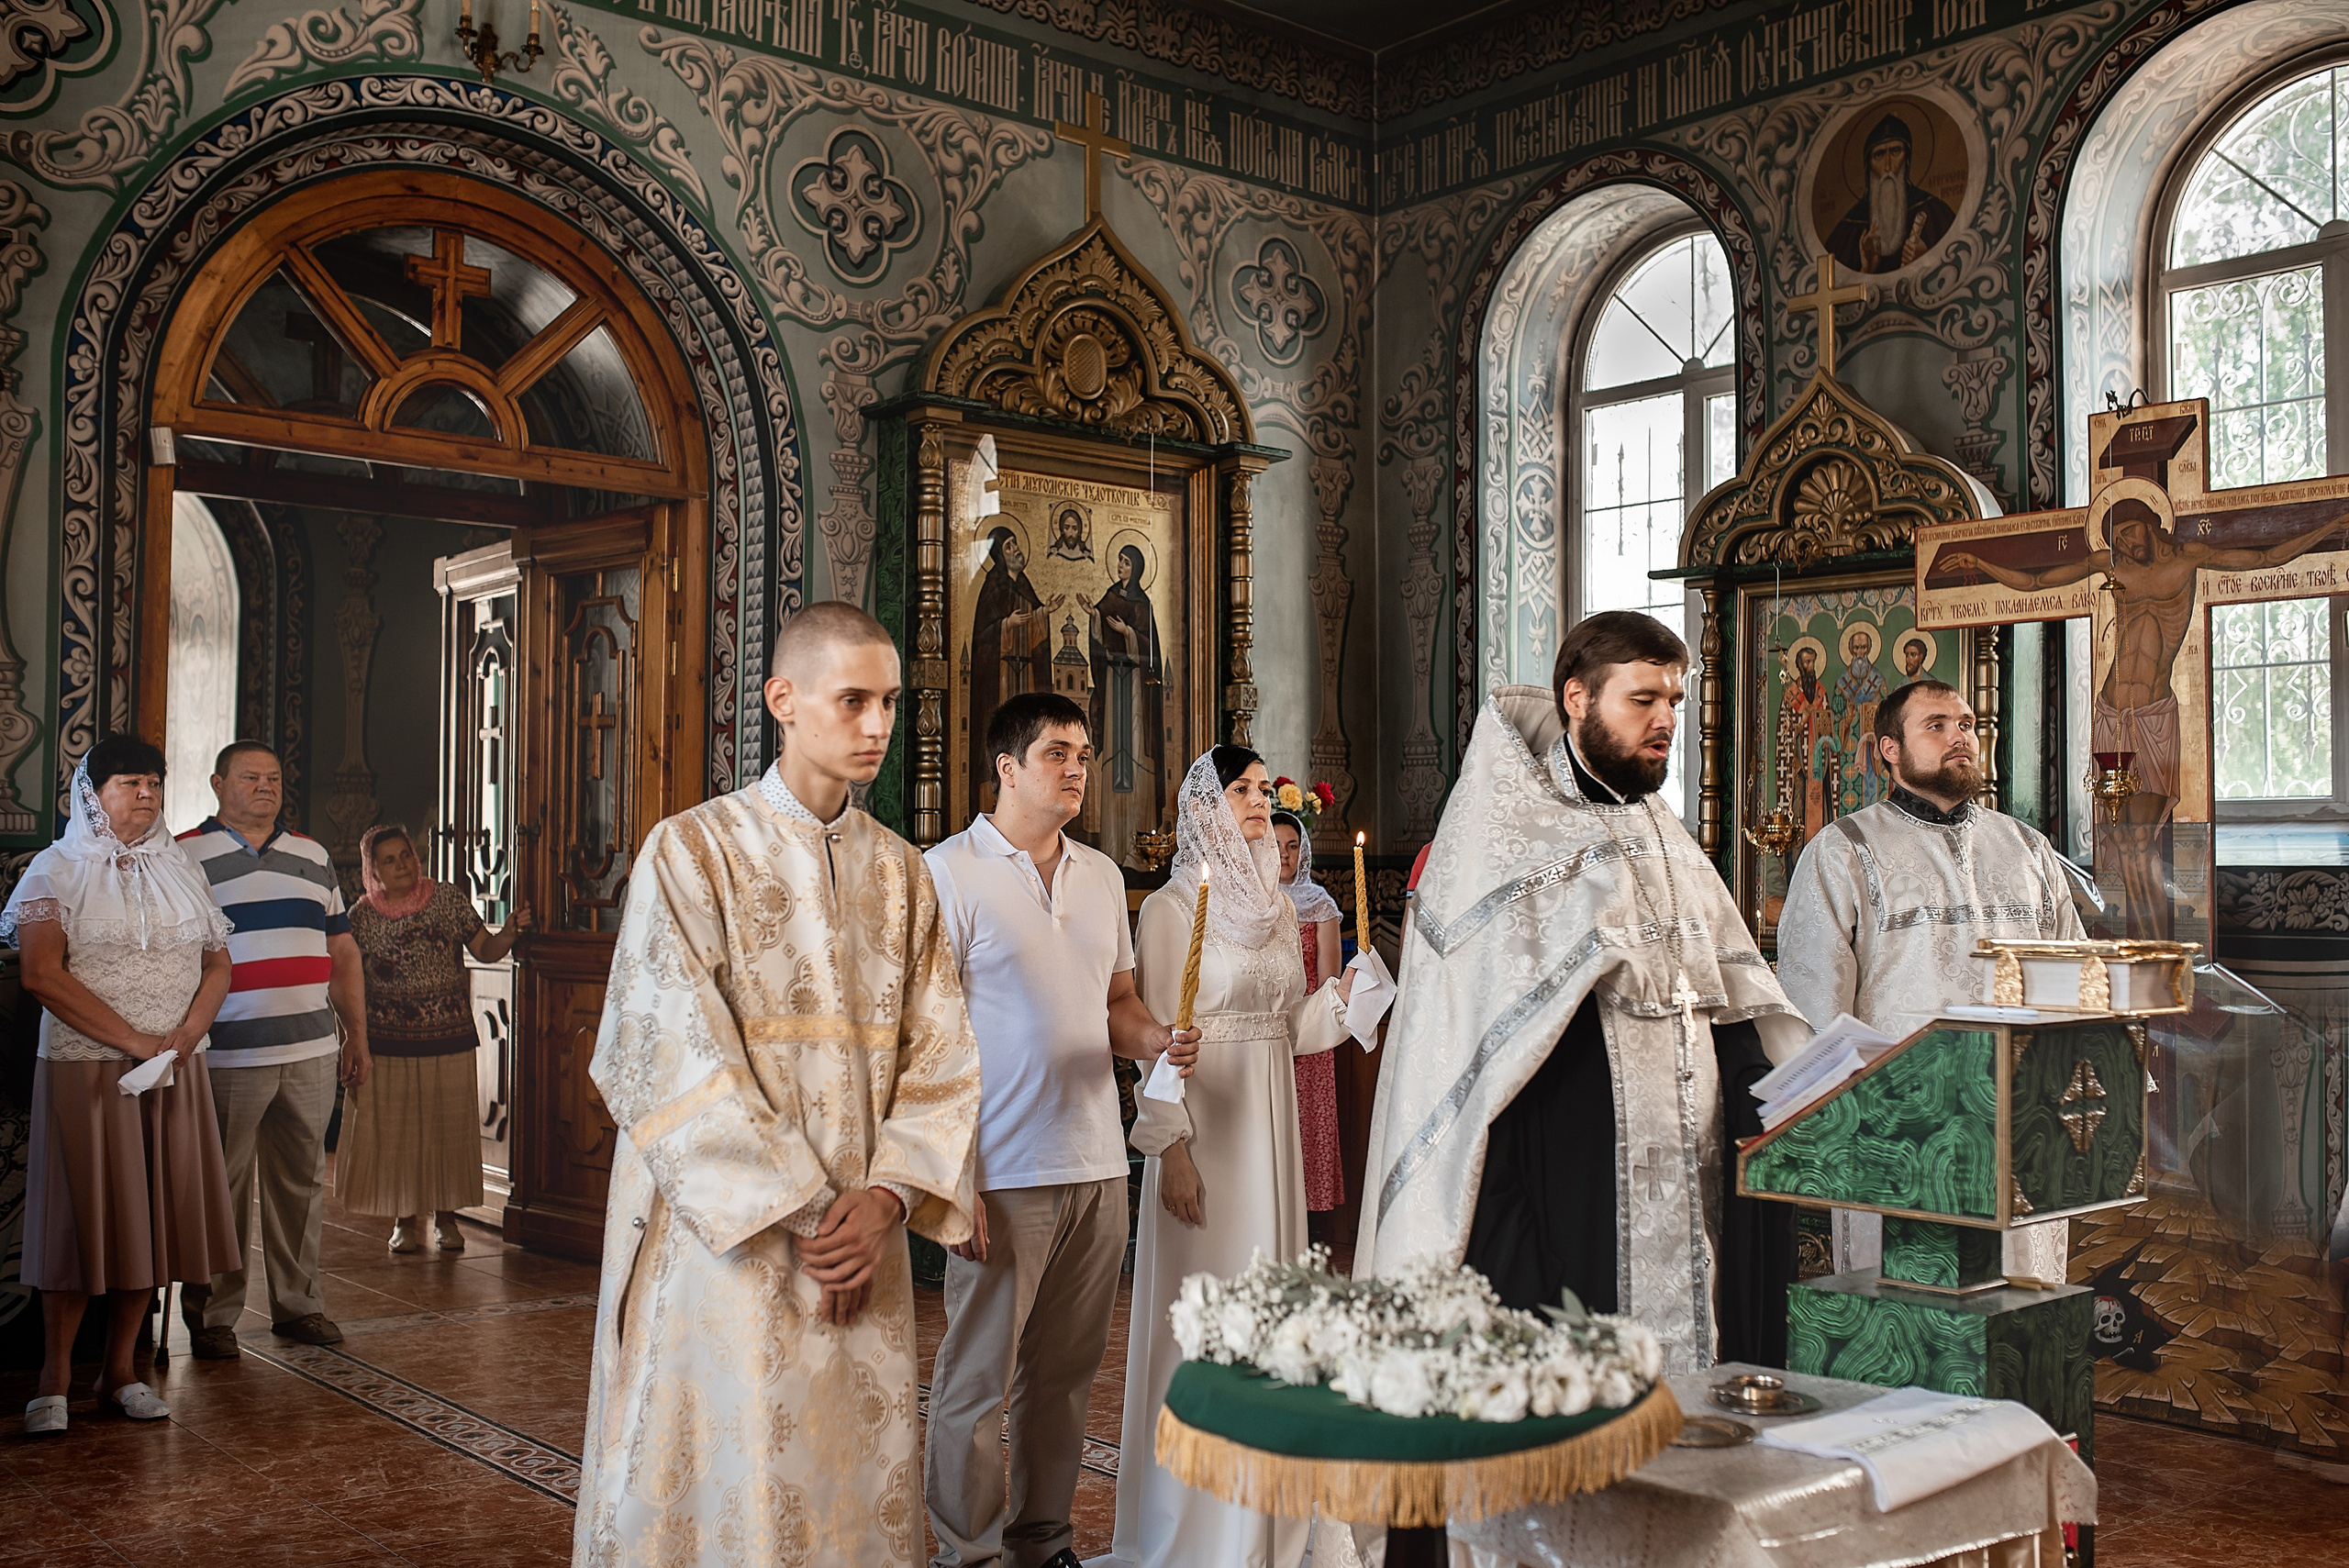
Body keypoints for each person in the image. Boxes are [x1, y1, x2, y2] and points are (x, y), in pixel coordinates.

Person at [573, 602, 982, 1568]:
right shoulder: (693, 849)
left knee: (846, 1475)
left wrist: (884, 1198)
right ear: (782, 699)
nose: (878, 724)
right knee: (734, 1476)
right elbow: (662, 1045)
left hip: (863, 1240)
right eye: (853, 699)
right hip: (736, 1246)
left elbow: (946, 1053)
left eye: (888, 700)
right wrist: (808, 1212)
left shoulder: (905, 874)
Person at [1356, 612, 1809, 1379]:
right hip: (1567, 1179)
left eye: (1674, 698)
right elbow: (1475, 1041)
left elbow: (1722, 990)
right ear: (1576, 697)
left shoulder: (1663, 829)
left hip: (1690, 1169)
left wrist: (1768, 1082)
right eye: (1643, 700)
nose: (1667, 719)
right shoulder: (1500, 835)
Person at [922, 691, 1199, 1568]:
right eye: (1057, 753)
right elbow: (926, 1040)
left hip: (1096, 1160)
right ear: (1006, 766)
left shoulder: (1104, 875)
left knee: (1065, 1378)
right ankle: (968, 1553)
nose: (1078, 768)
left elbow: (1115, 1004)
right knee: (976, 1381)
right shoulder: (946, 873)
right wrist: (951, 1174)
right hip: (998, 1168)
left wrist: (1156, 1037)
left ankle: (1043, 1545)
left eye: (1084, 753)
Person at [1102, 746, 1364, 1568]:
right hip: (1204, 1132)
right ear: (1208, 804)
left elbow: (1293, 1029)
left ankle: (1271, 1518)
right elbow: (1155, 1040)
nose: (1258, 801)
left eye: (1262, 789)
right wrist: (1169, 1150)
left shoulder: (1280, 907)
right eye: (1241, 789)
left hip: (1270, 1126)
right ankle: (1197, 1524)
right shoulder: (1175, 905)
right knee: (1205, 1317)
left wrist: (1351, 997)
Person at [1776, 678, 2087, 1281]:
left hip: (2022, 1121)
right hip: (1900, 1134)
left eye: (1966, 723)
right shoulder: (1844, 850)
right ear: (1888, 748)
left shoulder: (2027, 848)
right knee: (1907, 1317)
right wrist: (1853, 1124)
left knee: (2022, 1305)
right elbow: (1814, 1003)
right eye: (1937, 725)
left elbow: (2075, 977)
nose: (1960, 737)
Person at [2, 738, 242, 1433]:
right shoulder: (54, 870)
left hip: (172, 1070)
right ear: (92, 793)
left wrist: (185, 1037)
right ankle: (53, 1377)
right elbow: (41, 975)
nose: (146, 792)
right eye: (130, 781)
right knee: (80, 1219)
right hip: (86, 1070)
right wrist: (136, 1041)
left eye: (154, 781)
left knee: (153, 1218)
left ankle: (121, 1372)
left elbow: (219, 965)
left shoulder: (182, 868)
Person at [177, 740, 368, 1357]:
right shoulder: (184, 856)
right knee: (221, 1186)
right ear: (217, 783)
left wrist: (355, 1032)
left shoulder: (311, 855)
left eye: (274, 777)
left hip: (310, 1047)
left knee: (302, 1181)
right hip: (225, 1051)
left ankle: (299, 1304)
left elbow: (340, 952)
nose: (265, 786)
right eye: (250, 776)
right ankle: (212, 1317)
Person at [337, 824, 529, 1254]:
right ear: (373, 870)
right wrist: (353, 1037)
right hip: (388, 1042)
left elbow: (485, 950)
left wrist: (511, 932)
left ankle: (447, 1220)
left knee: (447, 1132)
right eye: (389, 859)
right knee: (400, 1134)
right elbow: (345, 978)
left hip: (448, 1036)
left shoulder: (446, 898)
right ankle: (405, 1221)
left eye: (405, 854)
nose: (401, 864)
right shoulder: (359, 917)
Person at [1271, 810, 1343, 1226]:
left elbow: (1331, 978)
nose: (1284, 854)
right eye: (1276, 845)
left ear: (1303, 851)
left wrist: (1310, 1019)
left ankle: (1308, 1229)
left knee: (1308, 1126)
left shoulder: (1320, 904)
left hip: (1309, 1033)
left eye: (1292, 846)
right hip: (1268, 1028)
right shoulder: (1252, 902)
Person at [971, 527, 1052, 815]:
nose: (1016, 550)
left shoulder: (1026, 586)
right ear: (999, 556)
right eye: (1009, 547)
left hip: (1027, 673)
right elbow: (982, 637)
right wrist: (1006, 625)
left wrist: (1042, 614)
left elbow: (1036, 630)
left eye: (1016, 544)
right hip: (1003, 674)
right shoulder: (993, 587)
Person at [1823, 115, 1956, 273]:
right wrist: (1867, 270)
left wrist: (1927, 258)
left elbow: (1957, 266)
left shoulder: (1935, 212)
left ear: (1907, 159)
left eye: (1895, 151)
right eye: (1879, 155)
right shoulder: (1848, 228)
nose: (1888, 166)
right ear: (1868, 166)